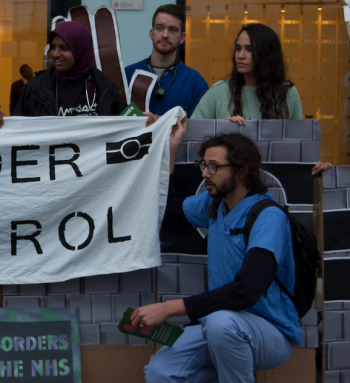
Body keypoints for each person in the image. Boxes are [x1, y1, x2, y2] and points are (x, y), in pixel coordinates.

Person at [131, 123, 328, 382]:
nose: (205, 174)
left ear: (242, 171)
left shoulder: (268, 217)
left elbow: (247, 289)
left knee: (220, 324)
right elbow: (168, 210)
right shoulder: (214, 204)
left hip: (270, 333)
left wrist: (168, 309)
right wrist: (171, 148)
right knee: (161, 371)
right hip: (220, 328)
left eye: (214, 166)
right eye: (203, 165)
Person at [192, 23, 302, 124]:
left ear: (267, 54)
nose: (240, 55)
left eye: (249, 49)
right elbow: (195, 135)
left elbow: (299, 139)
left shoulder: (288, 93)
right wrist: (224, 132)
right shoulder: (219, 91)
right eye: (238, 49)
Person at [13, 21, 126, 116]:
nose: (55, 54)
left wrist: (142, 121)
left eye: (64, 48)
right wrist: (3, 124)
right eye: (53, 47)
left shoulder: (105, 88)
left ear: (80, 50)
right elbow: (17, 130)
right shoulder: (35, 89)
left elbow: (129, 124)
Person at [125, 4, 208, 117]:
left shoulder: (194, 82)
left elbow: (200, 128)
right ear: (151, 34)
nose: (165, 35)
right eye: (159, 28)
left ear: (182, 38)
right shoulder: (128, 75)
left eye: (172, 30)